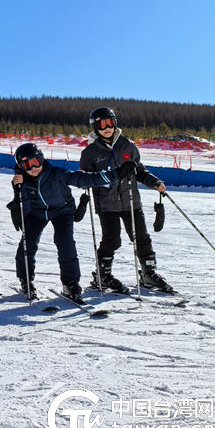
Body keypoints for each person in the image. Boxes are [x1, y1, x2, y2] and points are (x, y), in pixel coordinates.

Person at [9, 142, 136, 302]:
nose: (33, 167)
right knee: (28, 243)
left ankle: (70, 283)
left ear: (42, 159)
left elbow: (84, 179)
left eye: (36, 161)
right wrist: (17, 191)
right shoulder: (21, 181)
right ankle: (25, 280)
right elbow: (22, 203)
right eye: (27, 164)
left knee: (65, 242)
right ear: (20, 166)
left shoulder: (57, 174)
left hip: (62, 211)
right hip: (37, 214)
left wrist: (116, 173)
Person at [79, 107, 171, 293]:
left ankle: (148, 273)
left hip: (131, 201)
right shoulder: (90, 152)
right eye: (101, 124)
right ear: (94, 127)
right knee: (112, 240)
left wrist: (154, 182)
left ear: (115, 123)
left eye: (109, 123)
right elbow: (85, 178)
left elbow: (140, 170)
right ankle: (102, 275)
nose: (106, 128)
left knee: (141, 237)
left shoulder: (128, 146)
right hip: (107, 203)